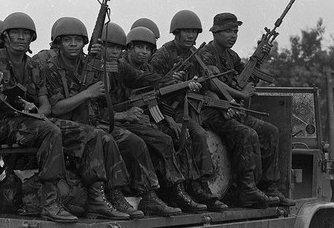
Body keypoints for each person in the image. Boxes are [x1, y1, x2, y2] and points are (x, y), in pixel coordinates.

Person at [0, 12, 132, 222]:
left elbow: (46, 105)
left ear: (31, 39)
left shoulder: (33, 66)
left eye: (25, 34)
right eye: (16, 33)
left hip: (30, 120)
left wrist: (35, 109)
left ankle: (97, 197)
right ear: (6, 37)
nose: (21, 38)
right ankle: (51, 202)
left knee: (91, 134)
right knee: (51, 131)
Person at [45, 18, 207, 216]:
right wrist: (113, 109)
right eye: (109, 46)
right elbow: (60, 107)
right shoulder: (57, 67)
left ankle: (160, 194)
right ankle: (115, 195)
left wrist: (180, 84)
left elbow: (144, 78)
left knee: (156, 140)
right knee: (120, 140)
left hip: (104, 120)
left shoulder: (109, 66)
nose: (114, 51)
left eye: (117, 47)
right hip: (86, 123)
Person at [126, 26, 228, 211]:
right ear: (129, 48)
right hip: (131, 118)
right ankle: (174, 191)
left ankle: (193, 186)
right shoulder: (125, 68)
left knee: (183, 135)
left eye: (147, 49)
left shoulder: (148, 67)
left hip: (153, 114)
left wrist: (169, 118)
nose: (143, 52)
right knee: (164, 139)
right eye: (139, 47)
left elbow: (156, 99)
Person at [198, 12, 295, 207]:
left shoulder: (231, 56)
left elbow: (247, 79)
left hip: (231, 109)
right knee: (247, 134)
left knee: (270, 132)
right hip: (210, 111)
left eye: (235, 31)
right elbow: (213, 85)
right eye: (227, 31)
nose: (232, 35)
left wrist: (258, 60)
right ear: (215, 32)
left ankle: (269, 187)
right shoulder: (206, 54)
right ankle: (247, 190)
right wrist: (240, 95)